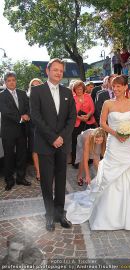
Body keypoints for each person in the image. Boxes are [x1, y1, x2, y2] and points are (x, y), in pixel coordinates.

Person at [65, 75, 130, 231]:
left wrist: (128, 132)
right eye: (114, 86)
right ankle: (108, 212)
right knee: (112, 170)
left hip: (127, 143)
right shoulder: (108, 103)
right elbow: (102, 123)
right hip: (114, 143)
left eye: (119, 86)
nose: (116, 89)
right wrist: (116, 133)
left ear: (126, 87)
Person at [30, 58, 76, 232]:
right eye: (55, 69)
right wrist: (52, 138)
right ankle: (49, 214)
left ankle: (59, 213)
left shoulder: (67, 92)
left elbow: (72, 117)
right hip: (45, 143)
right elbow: (36, 116)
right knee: (47, 181)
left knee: (61, 180)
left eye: (61, 70)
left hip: (62, 144)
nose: (58, 73)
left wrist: (62, 137)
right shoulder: (37, 91)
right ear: (47, 71)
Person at [0, 71, 31, 191]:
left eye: (13, 80)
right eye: (9, 80)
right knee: (8, 157)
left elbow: (29, 107)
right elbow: (6, 112)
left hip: (22, 130)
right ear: (5, 82)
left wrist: (28, 114)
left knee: (22, 156)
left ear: (16, 81)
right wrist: (21, 118)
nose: (11, 82)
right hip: (8, 131)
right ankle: (9, 180)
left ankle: (20, 178)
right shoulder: (1, 95)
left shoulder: (22, 93)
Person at [71, 80, 96, 167]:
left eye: (80, 89)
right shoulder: (72, 98)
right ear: (74, 89)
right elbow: (72, 111)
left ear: (83, 89)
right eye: (77, 89)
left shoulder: (88, 96)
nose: (79, 91)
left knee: (88, 142)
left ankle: (88, 160)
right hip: (77, 123)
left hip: (88, 122)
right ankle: (76, 162)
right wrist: (80, 118)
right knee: (77, 142)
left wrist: (88, 116)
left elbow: (92, 108)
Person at [27, 78, 43, 181]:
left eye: (38, 85)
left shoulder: (46, 97)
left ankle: (47, 170)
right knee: (35, 149)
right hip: (33, 127)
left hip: (45, 126)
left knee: (46, 149)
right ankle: (38, 172)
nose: (35, 87)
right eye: (33, 85)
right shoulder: (27, 98)